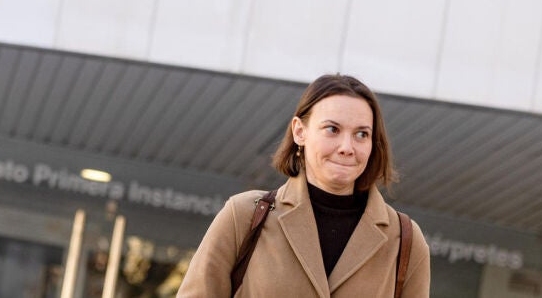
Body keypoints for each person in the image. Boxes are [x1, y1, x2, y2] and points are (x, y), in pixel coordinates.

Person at [177, 74, 429, 297]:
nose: (347, 147)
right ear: (299, 132)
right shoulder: (243, 215)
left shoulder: (405, 239)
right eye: (332, 129)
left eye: (361, 134)